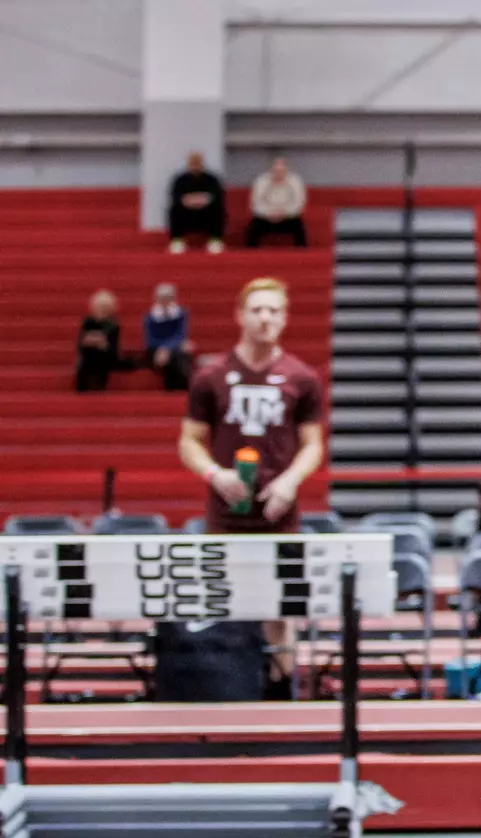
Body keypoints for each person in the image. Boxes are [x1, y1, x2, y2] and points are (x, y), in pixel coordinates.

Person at [177, 277, 325, 698]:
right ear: (240, 316)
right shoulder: (212, 377)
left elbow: (314, 444)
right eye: (257, 309)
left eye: (274, 310)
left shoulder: (302, 378)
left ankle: (282, 691)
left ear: (285, 317)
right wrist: (215, 475)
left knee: (281, 608)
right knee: (224, 602)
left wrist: (290, 482)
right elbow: (189, 441)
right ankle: (226, 685)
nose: (265, 318)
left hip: (278, 511)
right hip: (227, 513)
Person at [168, 152, 226, 254]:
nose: (195, 166)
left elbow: (217, 195)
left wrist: (202, 200)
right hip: (187, 213)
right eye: (192, 163)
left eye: (197, 163)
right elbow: (176, 196)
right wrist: (189, 200)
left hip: (206, 212)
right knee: (174, 209)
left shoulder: (212, 179)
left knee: (218, 209)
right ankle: (177, 240)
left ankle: (215, 240)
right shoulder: (180, 179)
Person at [142, 282, 194, 391]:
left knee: (179, 353)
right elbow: (150, 340)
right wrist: (163, 349)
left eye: (168, 298)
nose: (165, 302)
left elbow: (181, 335)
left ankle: (179, 387)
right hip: (155, 351)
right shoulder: (149, 317)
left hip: (173, 349)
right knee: (173, 355)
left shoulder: (181, 314)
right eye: (162, 299)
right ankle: (176, 388)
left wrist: (167, 348)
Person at [247, 157, 309, 248]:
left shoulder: (295, 180)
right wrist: (270, 213)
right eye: (276, 171)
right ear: (271, 170)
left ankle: (301, 253)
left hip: (288, 216)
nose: (279, 174)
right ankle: (250, 254)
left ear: (287, 170)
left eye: (282, 171)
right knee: (253, 227)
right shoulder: (261, 181)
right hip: (266, 217)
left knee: (299, 226)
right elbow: (255, 204)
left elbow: (299, 203)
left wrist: (284, 212)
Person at [74, 289, 121, 392]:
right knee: (86, 360)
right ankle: (81, 389)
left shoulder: (113, 324)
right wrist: (90, 341)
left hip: (105, 355)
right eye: (100, 307)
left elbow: (113, 347)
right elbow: (81, 343)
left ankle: (99, 387)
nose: (102, 310)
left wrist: (102, 344)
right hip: (89, 354)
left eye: (104, 307)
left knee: (100, 358)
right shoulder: (88, 322)